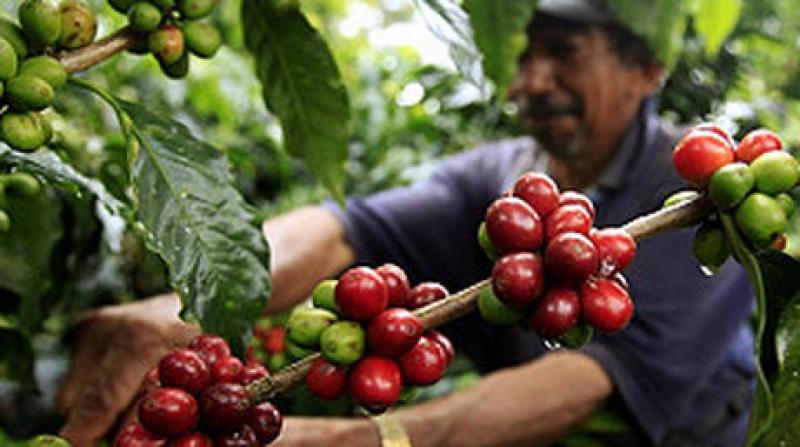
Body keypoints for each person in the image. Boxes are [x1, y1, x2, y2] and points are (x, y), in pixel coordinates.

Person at [57, 1, 756, 446]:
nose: (531, 82)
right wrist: (184, 306)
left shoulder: (691, 191)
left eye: (565, 52)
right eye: (521, 55)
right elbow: (339, 228)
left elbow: (589, 378)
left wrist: (342, 441)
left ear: (645, 72)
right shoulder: (505, 175)